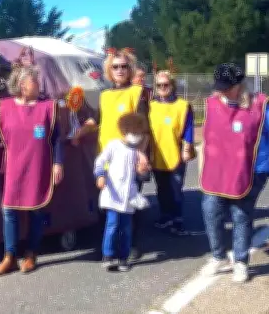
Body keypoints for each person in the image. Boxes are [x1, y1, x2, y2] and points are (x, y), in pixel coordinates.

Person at [0, 65, 65, 276]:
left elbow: (56, 139)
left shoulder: (48, 107)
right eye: (33, 80)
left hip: (39, 166)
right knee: (10, 211)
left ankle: (31, 254)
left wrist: (58, 163)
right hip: (14, 167)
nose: (38, 83)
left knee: (36, 210)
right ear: (21, 85)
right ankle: (9, 257)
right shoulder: (5, 107)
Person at [199, 63, 269, 283]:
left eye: (227, 86)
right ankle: (218, 256)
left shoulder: (258, 106)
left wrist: (255, 162)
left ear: (238, 85)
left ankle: (241, 261)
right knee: (210, 210)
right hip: (217, 172)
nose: (222, 90)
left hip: (247, 170)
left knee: (241, 215)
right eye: (220, 86)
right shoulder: (212, 104)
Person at [75, 47, 150, 261]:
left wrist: (141, 155)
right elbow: (96, 121)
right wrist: (79, 131)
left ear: (130, 69)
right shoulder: (105, 95)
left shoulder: (137, 93)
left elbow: (144, 128)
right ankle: (109, 245)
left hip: (129, 158)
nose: (120, 70)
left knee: (128, 204)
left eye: (124, 66)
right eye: (115, 67)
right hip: (108, 159)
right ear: (109, 70)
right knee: (107, 204)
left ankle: (132, 244)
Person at [94, 113, 151, 272]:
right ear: (124, 131)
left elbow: (144, 175)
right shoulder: (113, 145)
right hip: (112, 194)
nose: (135, 136)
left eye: (138, 133)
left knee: (126, 228)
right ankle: (108, 255)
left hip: (128, 196)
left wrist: (142, 170)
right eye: (133, 132)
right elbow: (100, 161)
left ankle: (123, 257)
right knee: (112, 225)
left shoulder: (137, 153)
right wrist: (100, 176)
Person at [149, 70, 194, 235]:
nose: (162, 88)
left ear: (172, 85)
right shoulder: (151, 106)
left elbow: (188, 128)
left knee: (176, 188)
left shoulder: (182, 106)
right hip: (157, 154)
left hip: (176, 153)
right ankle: (165, 215)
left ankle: (178, 218)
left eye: (165, 85)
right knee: (161, 188)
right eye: (159, 85)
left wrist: (187, 148)